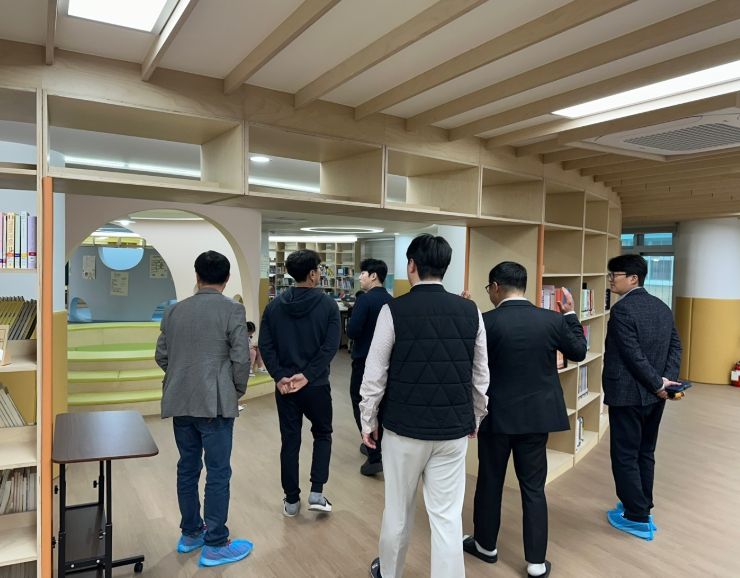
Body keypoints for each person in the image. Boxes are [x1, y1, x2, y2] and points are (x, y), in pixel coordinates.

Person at [360, 234, 490, 578]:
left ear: (411, 266)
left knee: (398, 511)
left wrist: (368, 420)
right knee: (447, 516)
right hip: (453, 431)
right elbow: (480, 374)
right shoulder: (471, 311)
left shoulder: (393, 310)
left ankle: (390, 572)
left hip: (403, 430)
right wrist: (476, 417)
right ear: (445, 267)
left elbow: (375, 374)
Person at [463, 261, 586, 578]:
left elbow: (466, 362)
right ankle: (535, 563)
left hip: (495, 417)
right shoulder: (552, 320)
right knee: (533, 488)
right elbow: (579, 351)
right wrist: (570, 314)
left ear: (495, 287)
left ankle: (486, 546)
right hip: (536, 418)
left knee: (490, 481)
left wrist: (465, 315)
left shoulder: (485, 321)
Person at [155, 250, 253, 568]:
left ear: (197, 277)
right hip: (215, 404)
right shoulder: (232, 309)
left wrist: (181, 377)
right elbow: (241, 358)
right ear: (227, 279)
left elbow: (162, 355)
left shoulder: (173, 310)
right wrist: (235, 390)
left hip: (180, 400)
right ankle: (215, 543)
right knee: (218, 471)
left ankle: (191, 533)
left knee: (187, 468)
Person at [603, 254, 682, 541]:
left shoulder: (622, 311)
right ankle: (641, 505)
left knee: (625, 454)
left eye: (614, 275)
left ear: (633, 278)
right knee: (645, 451)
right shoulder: (662, 307)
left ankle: (636, 516)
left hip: (628, 395)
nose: (610, 281)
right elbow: (676, 346)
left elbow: (632, 355)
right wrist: (665, 382)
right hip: (654, 396)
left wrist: (657, 383)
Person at [259, 249, 341, 517]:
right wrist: (308, 375)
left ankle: (291, 501)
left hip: (285, 387)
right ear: (313, 274)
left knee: (290, 440)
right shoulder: (328, 306)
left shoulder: (274, 306)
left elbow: (265, 345)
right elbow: (330, 347)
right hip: (316, 385)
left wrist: (279, 375)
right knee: (323, 434)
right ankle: (316, 492)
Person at [346, 258, 392, 476]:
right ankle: (378, 445)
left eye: (363, 273)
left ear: (373, 276)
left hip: (364, 361)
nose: (360, 277)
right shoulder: (391, 300)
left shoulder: (364, 300)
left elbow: (353, 331)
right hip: (388, 362)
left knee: (361, 402)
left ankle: (374, 454)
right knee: (381, 405)